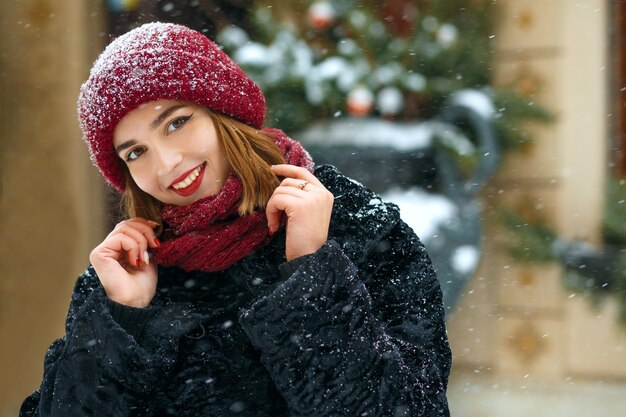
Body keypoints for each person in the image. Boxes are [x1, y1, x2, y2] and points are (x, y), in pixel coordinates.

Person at [20, 22, 451, 417]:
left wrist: (310, 272)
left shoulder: (354, 225)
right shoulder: (124, 273)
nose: (167, 163)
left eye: (176, 123)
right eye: (135, 152)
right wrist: (125, 321)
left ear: (223, 112)